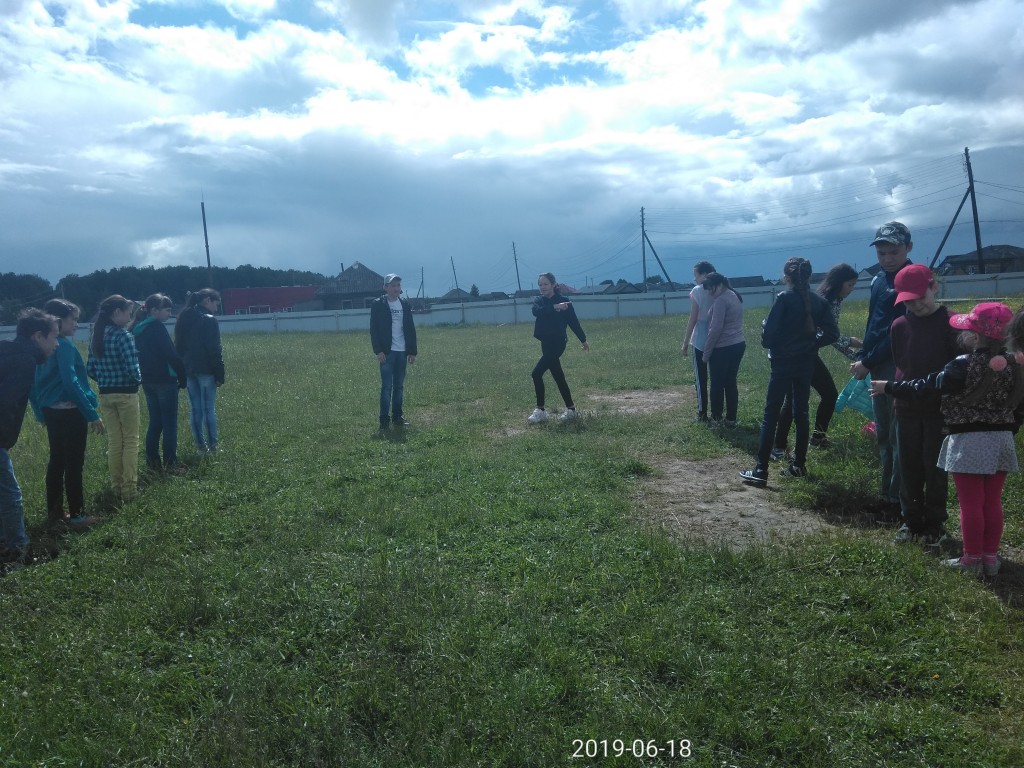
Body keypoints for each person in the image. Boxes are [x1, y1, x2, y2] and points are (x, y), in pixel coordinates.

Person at [871, 303, 1024, 576]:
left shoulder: (962, 365)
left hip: (968, 442)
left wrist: (890, 387)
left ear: (974, 336)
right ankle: (990, 559)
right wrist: (1009, 429)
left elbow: (927, 386)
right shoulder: (1016, 365)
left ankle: (971, 559)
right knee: (992, 502)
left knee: (971, 503)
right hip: (1001, 441)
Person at [741, 258, 839, 487]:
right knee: (801, 412)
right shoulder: (819, 301)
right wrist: (812, 344)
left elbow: (768, 337)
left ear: (787, 277)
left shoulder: (784, 298)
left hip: (782, 362)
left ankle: (761, 470)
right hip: (806, 362)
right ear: (809, 276)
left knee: (771, 413)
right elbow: (833, 334)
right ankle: (798, 466)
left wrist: (771, 336)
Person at [886, 265, 960, 546]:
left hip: (939, 410)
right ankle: (911, 520)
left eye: (920, 297)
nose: (916, 305)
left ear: (934, 287)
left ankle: (935, 523)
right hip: (905, 407)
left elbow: (958, 370)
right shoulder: (899, 326)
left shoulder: (953, 323)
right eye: (908, 301)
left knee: (935, 468)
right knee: (908, 466)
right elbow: (901, 363)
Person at [851, 222, 913, 515]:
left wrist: (868, 361)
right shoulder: (878, 279)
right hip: (876, 362)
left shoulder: (910, 279)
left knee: (899, 435)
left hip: (897, 363)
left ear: (908, 248)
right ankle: (886, 495)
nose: (887, 258)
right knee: (884, 432)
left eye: (894, 252)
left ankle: (898, 499)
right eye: (881, 252)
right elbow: (874, 323)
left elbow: (898, 332)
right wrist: (864, 354)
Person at [771, 263, 861, 460]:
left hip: (801, 354)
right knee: (819, 396)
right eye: (850, 285)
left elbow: (829, 335)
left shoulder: (827, 298)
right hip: (803, 355)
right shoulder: (827, 301)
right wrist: (855, 350)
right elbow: (831, 335)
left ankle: (793, 443)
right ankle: (787, 445)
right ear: (839, 283)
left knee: (800, 398)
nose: (852, 289)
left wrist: (857, 356)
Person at [31, 299, 104, 529]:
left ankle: (55, 514)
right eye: (74, 319)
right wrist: (91, 414)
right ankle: (78, 515)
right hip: (71, 412)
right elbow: (71, 381)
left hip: (50, 411)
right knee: (74, 464)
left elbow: (33, 384)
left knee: (57, 461)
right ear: (59, 321)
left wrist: (40, 413)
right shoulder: (64, 346)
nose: (77, 323)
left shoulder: (42, 347)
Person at [1, 309, 59, 563]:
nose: (57, 344)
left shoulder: (6, 350)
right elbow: (6, 402)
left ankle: (5, 545)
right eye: (54, 337)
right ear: (37, 336)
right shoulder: (24, 360)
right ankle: (19, 551)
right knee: (10, 494)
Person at [87, 295, 142, 501]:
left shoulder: (96, 336)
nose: (129, 318)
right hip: (126, 393)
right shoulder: (123, 336)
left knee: (115, 441)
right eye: (128, 313)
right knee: (131, 441)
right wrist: (137, 379)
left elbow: (90, 369)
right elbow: (132, 369)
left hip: (106, 394)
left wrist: (106, 379)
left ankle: (116, 486)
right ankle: (130, 489)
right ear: (116, 313)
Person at [131, 294, 187, 472]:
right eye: (167, 310)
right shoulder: (157, 327)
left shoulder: (139, 329)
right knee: (169, 423)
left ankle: (152, 462)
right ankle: (171, 463)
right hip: (165, 379)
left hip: (147, 380)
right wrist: (182, 376)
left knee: (155, 422)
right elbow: (171, 354)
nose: (169, 313)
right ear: (155, 311)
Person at [527, 272, 589, 423]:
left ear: (553, 285)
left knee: (536, 373)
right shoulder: (539, 301)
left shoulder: (564, 301)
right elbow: (537, 312)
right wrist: (555, 307)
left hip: (558, 343)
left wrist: (583, 340)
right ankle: (571, 409)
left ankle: (540, 410)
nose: (542, 287)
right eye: (540, 284)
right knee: (558, 376)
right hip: (545, 342)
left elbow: (573, 322)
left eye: (546, 284)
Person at [174, 289, 225, 453]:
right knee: (208, 408)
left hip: (188, 369)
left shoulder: (183, 317)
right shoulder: (209, 320)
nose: (216, 309)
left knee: (195, 408)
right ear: (208, 300)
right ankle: (213, 445)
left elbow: (178, 346)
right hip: (206, 369)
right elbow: (214, 349)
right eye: (216, 304)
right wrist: (220, 373)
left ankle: (200, 446)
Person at [370, 274, 418, 430]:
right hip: (387, 352)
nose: (396, 288)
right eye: (393, 285)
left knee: (399, 386)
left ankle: (397, 417)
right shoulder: (378, 304)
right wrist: (378, 351)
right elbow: (374, 330)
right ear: (386, 287)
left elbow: (410, 328)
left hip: (402, 352)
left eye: (398, 285)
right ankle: (384, 421)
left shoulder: (404, 304)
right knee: (386, 387)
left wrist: (412, 351)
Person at [700, 272, 745, 428]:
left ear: (719, 285)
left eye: (710, 289)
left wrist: (706, 354)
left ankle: (716, 419)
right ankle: (731, 418)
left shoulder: (720, 300)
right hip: (738, 344)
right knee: (730, 382)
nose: (709, 293)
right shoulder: (733, 295)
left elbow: (715, 329)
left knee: (717, 384)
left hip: (723, 348)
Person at [681, 261, 717, 423]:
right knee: (717, 378)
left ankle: (702, 413)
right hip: (718, 339)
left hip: (700, 340)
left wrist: (685, 342)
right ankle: (717, 413)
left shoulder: (697, 291)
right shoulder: (721, 289)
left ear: (704, 274)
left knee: (701, 379)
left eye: (696, 275)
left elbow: (693, 318)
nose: (694, 279)